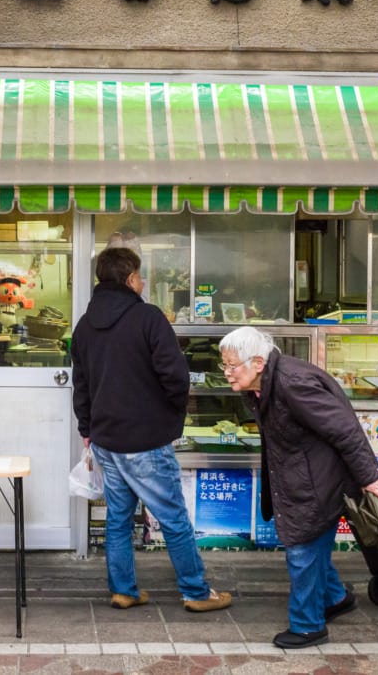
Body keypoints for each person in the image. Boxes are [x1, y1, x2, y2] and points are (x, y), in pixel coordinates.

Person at [70, 246, 231, 613]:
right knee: (173, 517)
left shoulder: (84, 324)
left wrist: (87, 427)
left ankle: (123, 590)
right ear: (130, 279)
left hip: (106, 441)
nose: (143, 283)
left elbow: (82, 383)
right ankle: (196, 592)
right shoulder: (148, 317)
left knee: (118, 519)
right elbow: (175, 376)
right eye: (140, 276)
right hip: (145, 441)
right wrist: (170, 414)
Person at [218, 325, 378, 649]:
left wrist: (369, 479)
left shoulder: (293, 384)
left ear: (257, 363)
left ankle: (308, 625)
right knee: (313, 546)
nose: (226, 372)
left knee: (302, 547)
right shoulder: (260, 385)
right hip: (302, 474)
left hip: (319, 479)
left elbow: (345, 430)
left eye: (231, 365)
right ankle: (335, 598)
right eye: (223, 365)